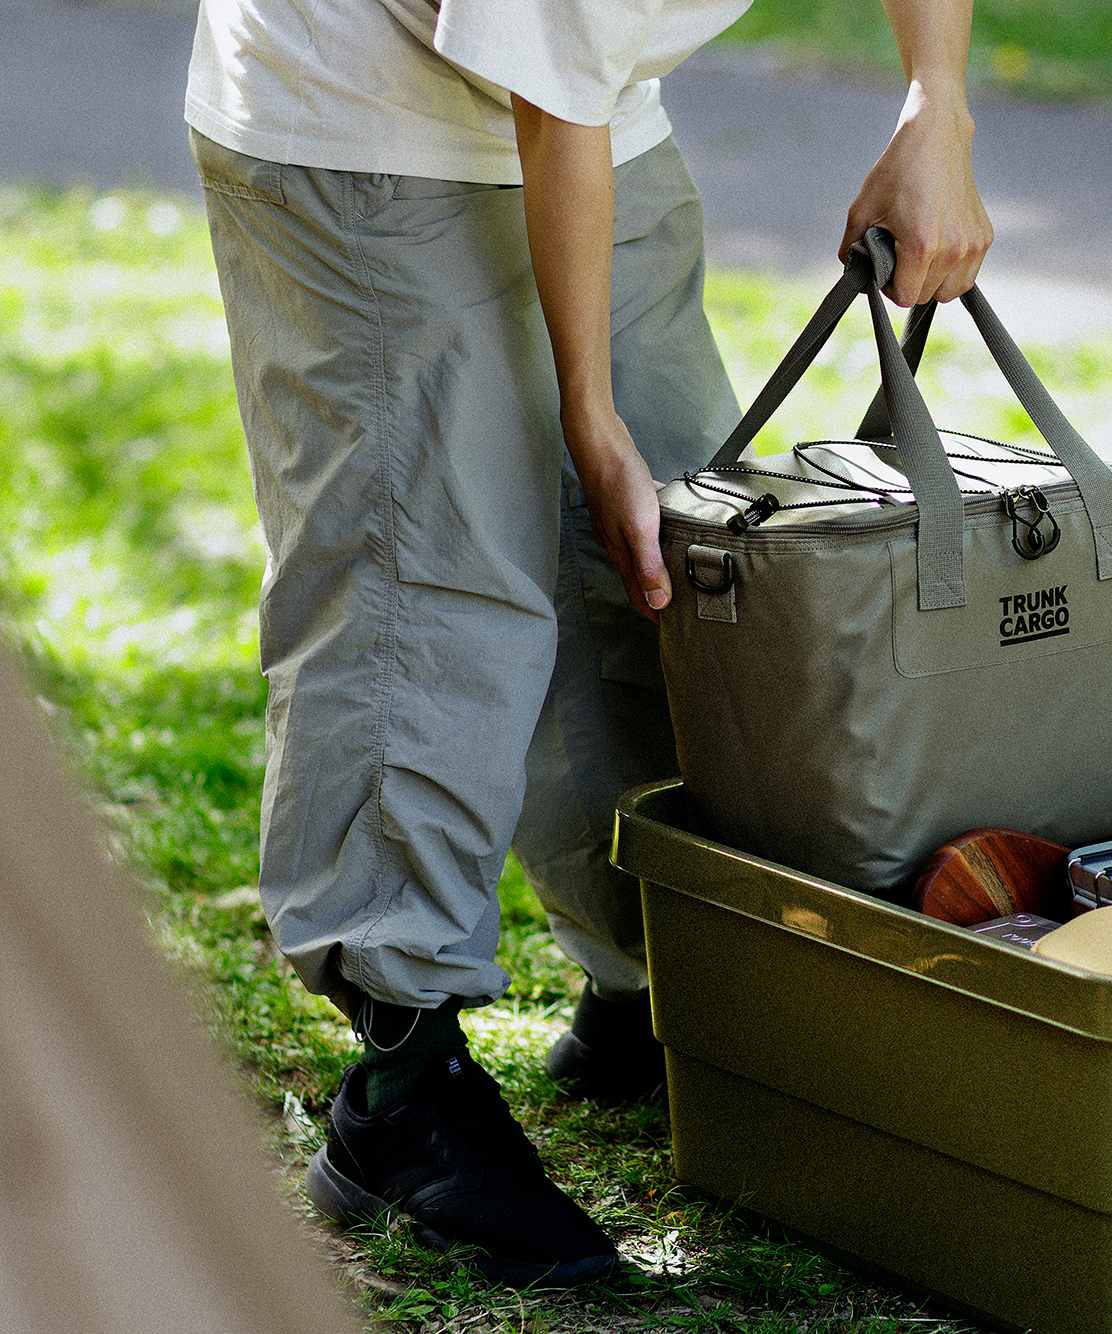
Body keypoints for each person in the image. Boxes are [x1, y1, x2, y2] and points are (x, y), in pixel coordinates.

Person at [183, 0, 992, 1287]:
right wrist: (586, 415)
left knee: (671, 570)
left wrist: (931, 103)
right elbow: (547, 66)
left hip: (589, 112)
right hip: (362, 124)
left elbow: (569, 85)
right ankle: (400, 1075)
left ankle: (651, 975)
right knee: (424, 582)